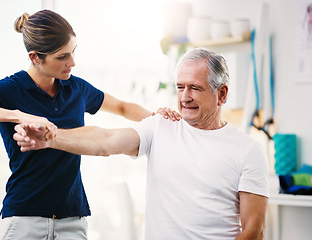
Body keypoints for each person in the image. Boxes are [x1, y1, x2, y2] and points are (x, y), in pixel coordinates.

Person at [0, 9, 180, 240]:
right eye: (62, 57)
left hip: (72, 218)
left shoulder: (76, 88)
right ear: (35, 57)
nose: (72, 62)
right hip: (24, 219)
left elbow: (122, 107)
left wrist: (157, 118)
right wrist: (18, 115)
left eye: (73, 52)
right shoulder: (11, 89)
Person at [14, 48, 270, 240]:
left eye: (195, 88)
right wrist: (51, 138)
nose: (184, 97)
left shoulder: (247, 150)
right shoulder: (161, 126)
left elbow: (253, 230)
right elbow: (106, 141)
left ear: (221, 94)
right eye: (180, 87)